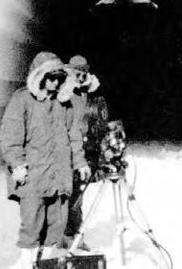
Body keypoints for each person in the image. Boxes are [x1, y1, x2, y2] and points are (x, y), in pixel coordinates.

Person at [0, 51, 91, 268]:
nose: (54, 82)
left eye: (59, 78)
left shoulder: (65, 104)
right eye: (50, 77)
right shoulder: (22, 99)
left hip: (60, 176)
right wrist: (17, 164)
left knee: (57, 226)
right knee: (31, 226)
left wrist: (80, 162)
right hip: (33, 177)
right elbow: (10, 136)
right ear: (39, 76)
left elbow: (74, 136)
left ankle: (50, 263)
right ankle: (27, 263)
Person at [63, 55, 111, 249]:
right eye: (77, 73)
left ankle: (74, 234)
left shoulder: (90, 95)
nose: (81, 77)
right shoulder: (64, 95)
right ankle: (66, 235)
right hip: (68, 151)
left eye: (84, 73)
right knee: (68, 194)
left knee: (78, 194)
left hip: (85, 151)